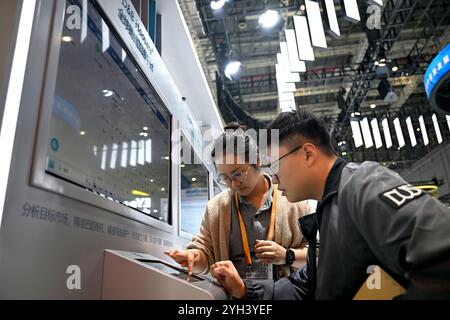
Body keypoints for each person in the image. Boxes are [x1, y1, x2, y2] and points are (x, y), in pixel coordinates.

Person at [210, 109, 450, 299]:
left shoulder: (363, 184)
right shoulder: (330, 206)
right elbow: (308, 284)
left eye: (274, 164)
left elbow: (441, 254)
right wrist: (245, 290)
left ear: (307, 153)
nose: (273, 176)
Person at [166, 122, 312, 281]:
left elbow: (318, 254)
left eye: (238, 174)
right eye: (226, 178)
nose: (234, 184)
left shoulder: (294, 200)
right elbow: (205, 252)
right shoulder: (217, 208)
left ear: (256, 161)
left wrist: (286, 256)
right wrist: (193, 257)